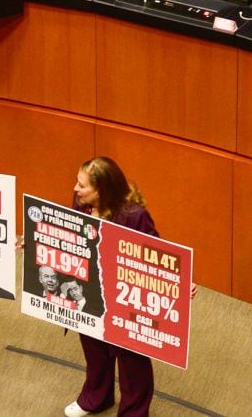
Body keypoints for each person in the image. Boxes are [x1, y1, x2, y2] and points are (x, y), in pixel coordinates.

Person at [63, 156, 190, 417]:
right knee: (94, 349)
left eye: (82, 185)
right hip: (91, 291)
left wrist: (180, 283)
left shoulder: (134, 216)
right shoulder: (81, 204)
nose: (76, 189)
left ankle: (133, 412)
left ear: (101, 190)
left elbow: (157, 257)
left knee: (132, 360)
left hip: (126, 299)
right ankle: (97, 397)